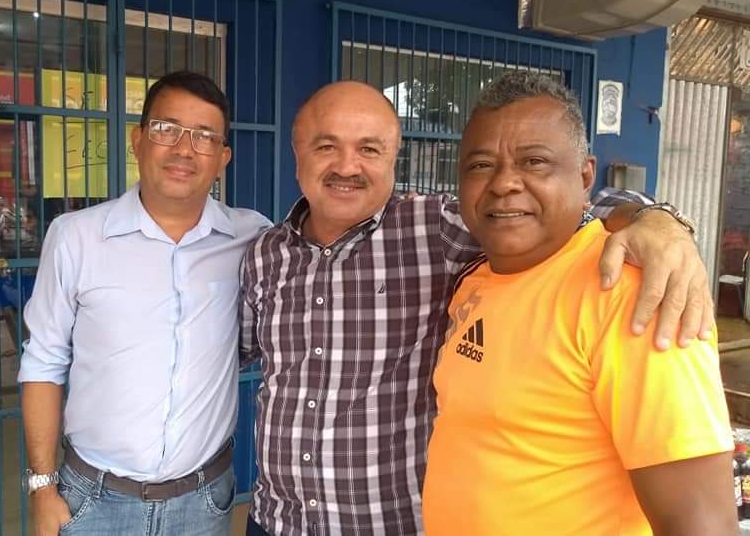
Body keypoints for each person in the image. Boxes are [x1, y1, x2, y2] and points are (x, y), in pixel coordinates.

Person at [239, 80, 713, 535]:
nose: (347, 166)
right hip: (277, 519)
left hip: (387, 524)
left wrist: (658, 219)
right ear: (297, 153)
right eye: (326, 146)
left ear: (394, 157)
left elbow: (560, 206)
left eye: (369, 148)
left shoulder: (438, 230)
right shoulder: (264, 253)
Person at [422, 71, 735, 535]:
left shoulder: (633, 295)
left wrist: (661, 219)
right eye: (481, 165)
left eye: (534, 162)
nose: (504, 183)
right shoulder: (476, 280)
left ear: (586, 175)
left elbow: (702, 524)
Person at [18, 71, 271, 536]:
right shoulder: (76, 237)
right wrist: (42, 487)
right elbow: (43, 362)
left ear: (223, 159)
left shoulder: (253, 238)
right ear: (137, 141)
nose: (184, 149)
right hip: (90, 501)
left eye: (204, 136)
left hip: (203, 503)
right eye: (166, 129)